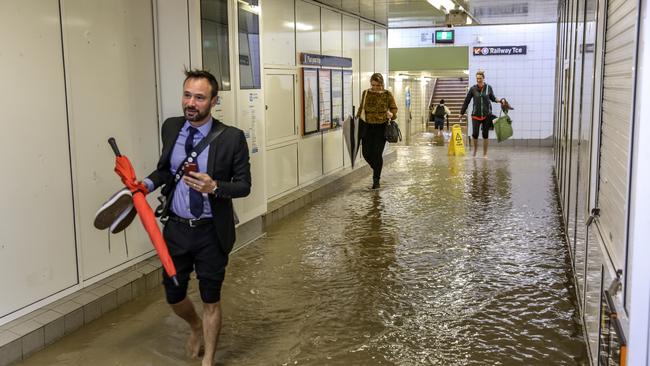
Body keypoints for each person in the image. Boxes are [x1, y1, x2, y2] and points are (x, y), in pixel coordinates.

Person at [143, 69, 251, 366]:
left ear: (214, 101)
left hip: (210, 232)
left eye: (200, 98)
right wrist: (146, 185)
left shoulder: (231, 138)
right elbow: (166, 169)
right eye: (187, 95)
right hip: (175, 229)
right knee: (173, 294)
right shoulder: (171, 127)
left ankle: (209, 361)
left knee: (211, 298)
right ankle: (194, 327)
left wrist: (215, 186)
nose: (191, 103)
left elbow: (244, 185)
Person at [355, 73, 398, 189]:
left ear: (382, 84)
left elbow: (394, 108)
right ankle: (377, 168)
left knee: (377, 153)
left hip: (381, 127)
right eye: (373, 85)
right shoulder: (366, 93)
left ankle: (376, 180)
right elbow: (361, 108)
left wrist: (391, 114)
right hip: (367, 127)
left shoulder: (387, 94)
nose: (375, 87)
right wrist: (357, 119)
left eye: (378, 85)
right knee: (366, 153)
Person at [460, 70, 506, 158]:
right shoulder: (473, 89)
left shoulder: (489, 88)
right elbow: (467, 101)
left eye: (480, 78)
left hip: (486, 115)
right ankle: (475, 152)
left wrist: (500, 101)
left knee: (485, 134)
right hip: (475, 115)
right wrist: (461, 113)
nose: (478, 80)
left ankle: (485, 154)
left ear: (483, 78)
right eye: (477, 78)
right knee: (475, 134)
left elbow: (493, 98)